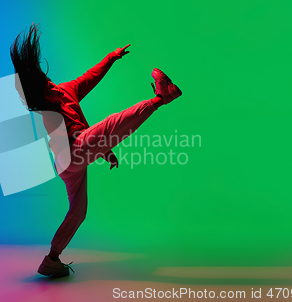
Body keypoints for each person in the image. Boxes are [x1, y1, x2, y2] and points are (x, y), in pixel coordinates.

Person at [10, 23, 182, 277]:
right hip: (69, 154)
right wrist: (100, 145)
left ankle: (51, 259)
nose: (44, 84)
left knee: (79, 212)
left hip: (69, 165)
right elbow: (77, 137)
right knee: (112, 124)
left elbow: (91, 77)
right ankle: (161, 97)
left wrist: (111, 58)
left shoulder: (66, 90)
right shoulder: (48, 107)